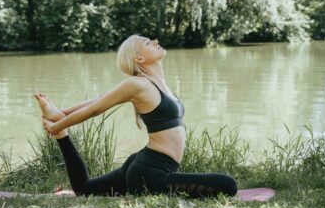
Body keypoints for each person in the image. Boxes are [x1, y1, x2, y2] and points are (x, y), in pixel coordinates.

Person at [34, 35, 237, 198]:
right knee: (228, 185)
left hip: (145, 164)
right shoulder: (138, 84)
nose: (156, 41)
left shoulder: (157, 83)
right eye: (148, 43)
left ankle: (61, 132)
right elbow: (95, 108)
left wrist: (60, 115)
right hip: (149, 174)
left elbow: (99, 98)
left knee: (84, 189)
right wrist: (56, 124)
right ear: (139, 59)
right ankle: (60, 131)